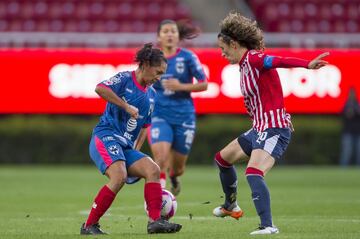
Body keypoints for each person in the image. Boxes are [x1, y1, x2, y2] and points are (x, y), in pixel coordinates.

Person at [212, 12, 329, 235]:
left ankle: (268, 226)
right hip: (259, 128)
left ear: (234, 44)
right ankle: (230, 206)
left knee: (253, 172)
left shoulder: (254, 58)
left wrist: (307, 65)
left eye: (223, 48)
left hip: (274, 128)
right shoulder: (244, 65)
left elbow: (276, 60)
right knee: (222, 159)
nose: (222, 53)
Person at [80, 43, 182, 235]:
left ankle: (155, 221)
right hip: (105, 136)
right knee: (119, 176)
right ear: (145, 64)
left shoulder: (152, 95)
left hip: (125, 145)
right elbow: (100, 89)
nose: (159, 77)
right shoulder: (125, 78)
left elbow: (144, 126)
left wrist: (135, 150)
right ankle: (89, 226)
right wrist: (126, 107)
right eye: (158, 72)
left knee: (152, 169)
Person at [148, 19, 208, 195]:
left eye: (173, 31)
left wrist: (180, 86)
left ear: (178, 36)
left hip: (184, 115)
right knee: (160, 159)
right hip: (159, 114)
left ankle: (174, 177)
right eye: (165, 31)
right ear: (159, 36)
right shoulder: (152, 58)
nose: (169, 35)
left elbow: (203, 84)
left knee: (178, 167)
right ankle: (159, 198)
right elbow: (142, 82)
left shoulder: (188, 57)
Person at [339, 87, 360, 167]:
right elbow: (344, 114)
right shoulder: (346, 105)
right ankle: (343, 169)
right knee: (347, 152)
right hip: (348, 132)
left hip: (358, 132)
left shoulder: (357, 104)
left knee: (359, 152)